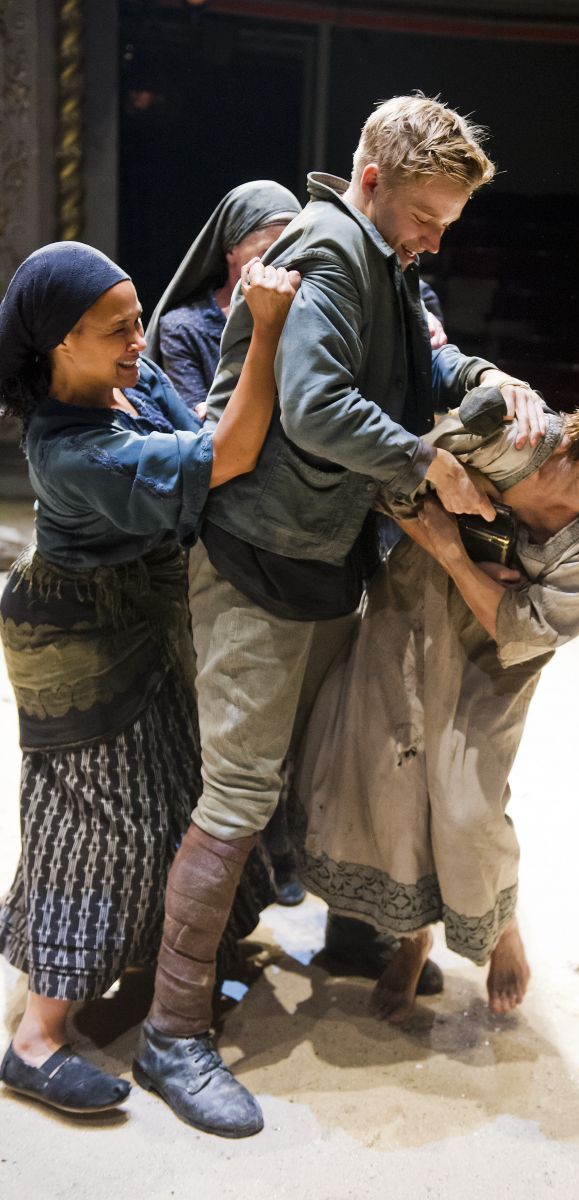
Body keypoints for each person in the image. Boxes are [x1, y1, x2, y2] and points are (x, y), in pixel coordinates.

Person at [133, 93, 548, 1139]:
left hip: (321, 563)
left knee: (308, 767)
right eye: (425, 215)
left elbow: (429, 359)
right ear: (372, 182)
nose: (436, 236)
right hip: (258, 564)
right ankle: (173, 1031)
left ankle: (349, 931)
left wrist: (489, 379)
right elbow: (315, 403)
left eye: (449, 221)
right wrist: (427, 465)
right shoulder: (328, 247)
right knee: (235, 792)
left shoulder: (391, 264)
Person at [294, 362, 579, 1023]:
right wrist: (440, 518)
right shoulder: (511, 436)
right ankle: (411, 942)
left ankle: (501, 924)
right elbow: (392, 479)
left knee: (467, 807)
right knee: (395, 787)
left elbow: (524, 630)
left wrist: (453, 551)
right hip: (409, 613)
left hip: (494, 661)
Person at [0, 241, 299, 1116]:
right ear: (59, 343)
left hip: (146, 616)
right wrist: (269, 329)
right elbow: (227, 455)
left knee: (172, 787)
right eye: (117, 329)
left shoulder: (119, 384)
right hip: (80, 640)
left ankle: (153, 958)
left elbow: (201, 429)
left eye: (138, 321)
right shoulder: (71, 447)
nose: (142, 339)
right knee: (99, 818)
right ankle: (35, 1037)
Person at [146, 180, 306, 906]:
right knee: (224, 710)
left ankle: (282, 849)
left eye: (290, 245)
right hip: (211, 530)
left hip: (283, 529)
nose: (278, 260)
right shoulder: (185, 329)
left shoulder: (307, 320)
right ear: (232, 251)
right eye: (264, 246)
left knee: (284, 711)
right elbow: (201, 436)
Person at [145, 179, 301, 415]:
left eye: (292, 252)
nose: (282, 265)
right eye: (268, 252)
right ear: (231, 251)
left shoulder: (308, 313)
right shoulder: (185, 327)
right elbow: (198, 422)